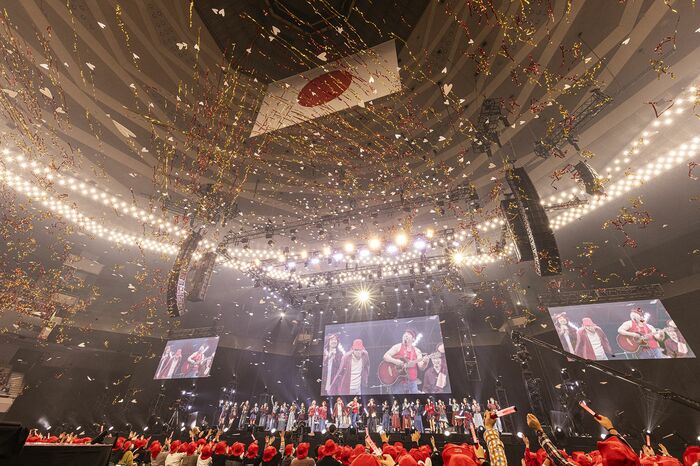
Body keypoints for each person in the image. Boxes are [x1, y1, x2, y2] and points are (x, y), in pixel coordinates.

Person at [383, 329, 428, 394]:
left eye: (408, 334)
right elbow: (385, 356)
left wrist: (425, 362)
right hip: (398, 383)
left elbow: (421, 367)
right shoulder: (397, 347)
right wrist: (395, 361)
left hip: (412, 383)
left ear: (413, 339)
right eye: (405, 334)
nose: (406, 335)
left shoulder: (417, 351)